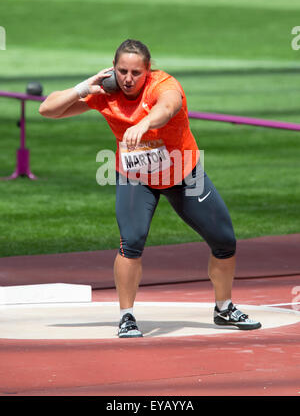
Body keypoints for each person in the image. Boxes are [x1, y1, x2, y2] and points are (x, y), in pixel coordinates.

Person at [39, 39, 261, 337]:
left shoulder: (163, 84)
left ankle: (224, 308)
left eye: (136, 73)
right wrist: (84, 87)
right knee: (131, 243)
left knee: (224, 241)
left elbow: (168, 107)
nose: (128, 79)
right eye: (122, 71)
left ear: (148, 70)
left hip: (184, 173)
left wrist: (144, 124)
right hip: (136, 177)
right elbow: (48, 110)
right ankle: (126, 316)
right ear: (113, 69)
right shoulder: (106, 93)